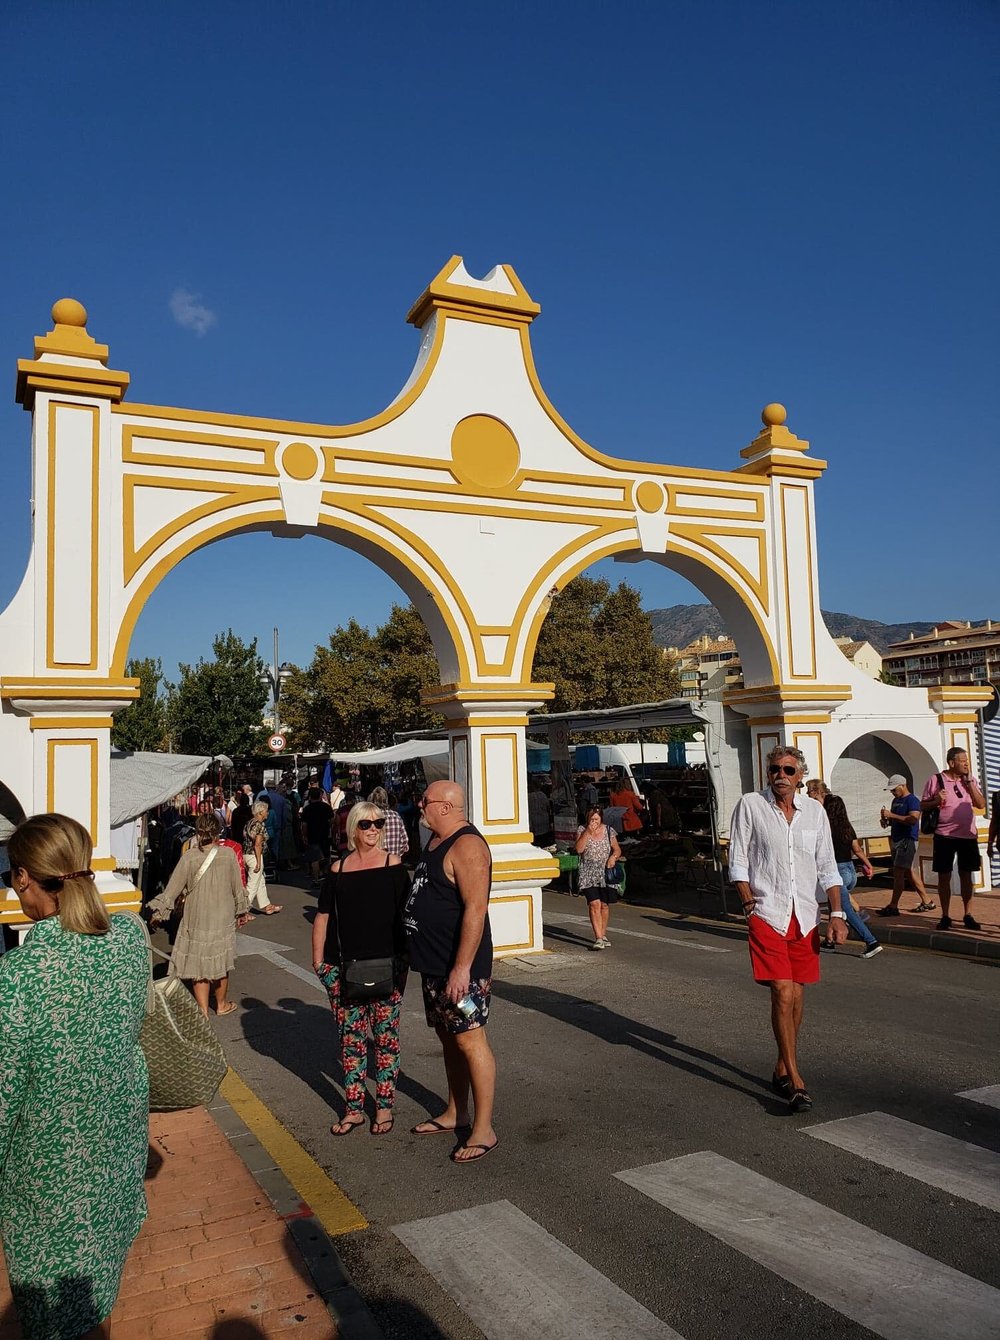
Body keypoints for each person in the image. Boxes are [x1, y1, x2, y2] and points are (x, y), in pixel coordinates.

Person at [0, 813, 149, 1338]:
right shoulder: (129, 939)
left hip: (50, 1178)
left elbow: (3, 1099)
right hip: (117, 1155)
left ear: (24, 877)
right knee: (98, 1288)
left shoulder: (19, 976)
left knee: (53, 1310)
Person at [728, 746, 846, 1112]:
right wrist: (749, 904)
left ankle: (781, 1066)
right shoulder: (751, 805)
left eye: (788, 770)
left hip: (805, 916)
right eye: (775, 769)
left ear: (800, 776)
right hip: (767, 912)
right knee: (781, 991)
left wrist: (837, 913)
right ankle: (795, 1080)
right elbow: (738, 860)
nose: (780, 775)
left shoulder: (815, 812)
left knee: (796, 993)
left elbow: (827, 866)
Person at [404, 781, 498, 1163]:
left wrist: (462, 968)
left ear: (444, 806)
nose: (420, 806)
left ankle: (484, 1128)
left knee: (470, 1039)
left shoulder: (468, 846)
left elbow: (476, 909)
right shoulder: (435, 841)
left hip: (462, 971)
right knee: (448, 1037)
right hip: (435, 965)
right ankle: (455, 1111)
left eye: (424, 801)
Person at [312, 803, 409, 1136]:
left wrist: (404, 964)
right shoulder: (338, 869)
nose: (373, 829)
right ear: (353, 828)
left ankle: (384, 1108)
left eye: (378, 823)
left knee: (386, 1042)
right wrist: (319, 963)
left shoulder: (393, 865)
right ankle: (354, 1109)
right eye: (366, 824)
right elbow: (323, 915)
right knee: (350, 1044)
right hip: (343, 969)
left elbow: (407, 917)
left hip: (387, 968)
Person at [147, 813, 249, 1017]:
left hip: (196, 915)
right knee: (221, 962)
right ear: (218, 831)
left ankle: (202, 1010)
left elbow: (172, 889)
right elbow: (237, 887)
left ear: (197, 832)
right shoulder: (228, 854)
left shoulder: (189, 857)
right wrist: (242, 911)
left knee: (198, 962)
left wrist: (158, 913)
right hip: (222, 915)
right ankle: (221, 1005)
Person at [921, 747, 985, 931]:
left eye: (967, 761)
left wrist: (970, 783)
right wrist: (936, 801)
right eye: (962, 761)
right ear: (951, 763)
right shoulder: (936, 780)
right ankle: (945, 915)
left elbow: (980, 804)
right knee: (944, 875)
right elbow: (922, 805)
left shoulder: (970, 780)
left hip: (967, 835)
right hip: (944, 836)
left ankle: (968, 914)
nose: (966, 764)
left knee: (966, 874)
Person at [820, 794, 881, 957]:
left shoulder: (826, 827)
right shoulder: (847, 826)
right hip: (850, 870)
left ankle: (871, 941)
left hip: (836, 871)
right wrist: (868, 864)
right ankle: (829, 940)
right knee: (834, 905)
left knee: (845, 908)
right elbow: (857, 849)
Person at [876, 774, 935, 915]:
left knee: (898, 872)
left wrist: (892, 816)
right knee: (908, 871)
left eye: (894, 789)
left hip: (907, 840)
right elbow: (896, 820)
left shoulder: (912, 800)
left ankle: (893, 905)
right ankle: (927, 901)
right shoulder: (895, 801)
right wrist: (886, 821)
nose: (893, 792)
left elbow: (913, 819)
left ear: (902, 786)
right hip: (896, 839)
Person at [574, 805, 623, 950]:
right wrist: (588, 832)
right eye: (592, 819)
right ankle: (599, 938)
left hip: (605, 872)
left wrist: (613, 857)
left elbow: (617, 849)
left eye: (596, 819)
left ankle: (603, 933)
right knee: (594, 903)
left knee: (604, 905)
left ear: (601, 818)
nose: (594, 822)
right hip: (588, 873)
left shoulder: (608, 830)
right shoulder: (582, 830)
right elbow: (579, 849)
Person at [242, 800, 282, 915]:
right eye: (266, 811)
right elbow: (257, 844)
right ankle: (243, 910)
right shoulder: (259, 824)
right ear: (260, 812)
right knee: (253, 885)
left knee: (260, 881)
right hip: (254, 855)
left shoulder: (249, 823)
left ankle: (267, 905)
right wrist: (259, 862)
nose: (267, 813)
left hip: (246, 854)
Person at [301, 786, 335, 886]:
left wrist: (304, 836)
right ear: (320, 796)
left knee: (315, 858)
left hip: (312, 835)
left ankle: (316, 880)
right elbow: (332, 820)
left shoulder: (307, 809)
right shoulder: (326, 807)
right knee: (326, 856)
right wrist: (328, 826)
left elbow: (304, 825)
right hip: (325, 834)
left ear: (310, 797)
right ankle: (327, 876)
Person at [368, 786, 409, 859]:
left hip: (375, 861)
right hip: (394, 861)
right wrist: (396, 854)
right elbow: (404, 842)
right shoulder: (396, 816)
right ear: (386, 800)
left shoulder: (369, 817)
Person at [528, 777, 554, 847]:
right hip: (544, 824)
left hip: (534, 825)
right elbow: (548, 808)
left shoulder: (528, 797)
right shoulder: (543, 795)